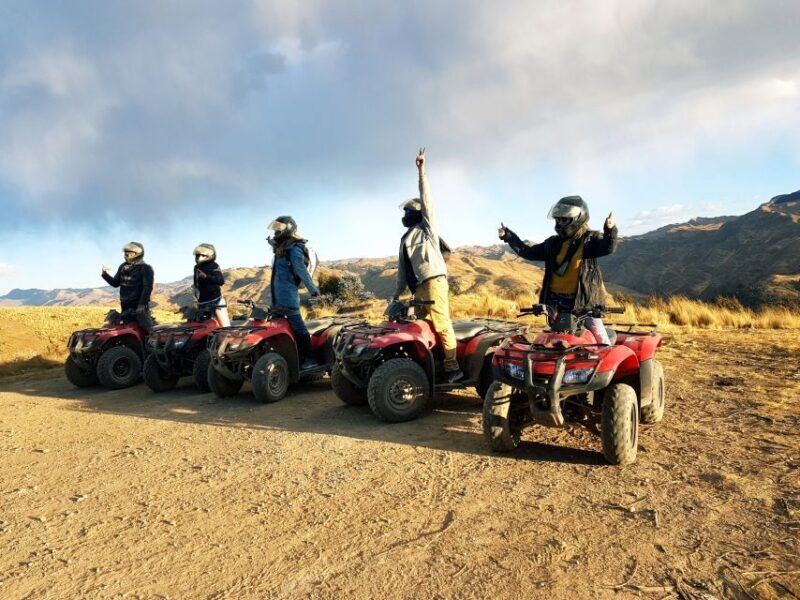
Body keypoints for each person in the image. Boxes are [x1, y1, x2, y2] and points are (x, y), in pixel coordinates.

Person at [498, 196, 618, 344]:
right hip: (556, 303)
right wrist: (509, 236)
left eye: (564, 219)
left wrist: (610, 230)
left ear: (578, 217)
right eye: (558, 219)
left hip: (585, 304)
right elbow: (526, 251)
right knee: (555, 344)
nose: (560, 222)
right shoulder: (552, 243)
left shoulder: (590, 239)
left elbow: (608, 247)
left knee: (602, 342)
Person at [394, 148, 462, 383]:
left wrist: (421, 171)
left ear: (418, 213)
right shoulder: (404, 240)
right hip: (418, 288)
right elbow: (402, 272)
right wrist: (395, 295)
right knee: (419, 325)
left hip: (434, 281)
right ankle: (428, 365)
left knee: (441, 322)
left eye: (409, 211)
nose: (405, 214)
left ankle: (453, 367)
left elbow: (428, 201)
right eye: (405, 211)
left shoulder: (427, 230)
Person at [267, 215, 321, 370]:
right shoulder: (282, 248)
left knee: (299, 328)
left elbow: (300, 269)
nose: (276, 232)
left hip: (289, 299)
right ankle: (291, 358)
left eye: (279, 229)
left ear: (288, 228)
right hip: (277, 299)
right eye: (275, 229)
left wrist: (312, 290)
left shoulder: (295, 248)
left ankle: (311, 359)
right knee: (279, 330)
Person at [101, 241, 155, 328]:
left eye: (129, 252)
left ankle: (152, 339)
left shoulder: (145, 268)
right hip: (125, 305)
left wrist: (141, 305)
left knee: (146, 328)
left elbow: (147, 288)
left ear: (137, 253)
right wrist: (105, 274)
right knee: (125, 327)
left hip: (139, 306)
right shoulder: (122, 267)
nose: (126, 254)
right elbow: (115, 283)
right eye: (125, 252)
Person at [193, 243, 230, 326]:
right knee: (203, 330)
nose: (199, 257)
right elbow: (196, 281)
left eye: (202, 255)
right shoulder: (196, 267)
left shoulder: (214, 266)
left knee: (225, 328)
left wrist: (206, 277)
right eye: (198, 255)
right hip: (202, 303)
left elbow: (221, 281)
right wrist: (196, 289)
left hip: (216, 301)